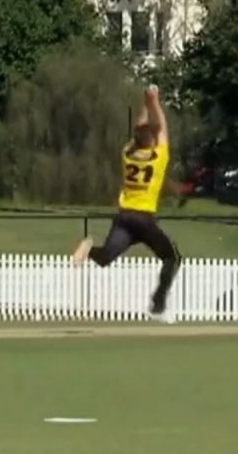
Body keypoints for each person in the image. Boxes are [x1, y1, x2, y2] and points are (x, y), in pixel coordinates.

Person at [73, 85, 181, 316]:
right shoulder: (157, 156)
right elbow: (162, 128)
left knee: (105, 258)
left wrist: (145, 103)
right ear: (151, 141)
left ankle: (90, 248)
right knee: (172, 258)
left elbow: (141, 130)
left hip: (124, 218)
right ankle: (158, 302)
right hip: (144, 219)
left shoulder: (127, 155)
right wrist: (154, 101)